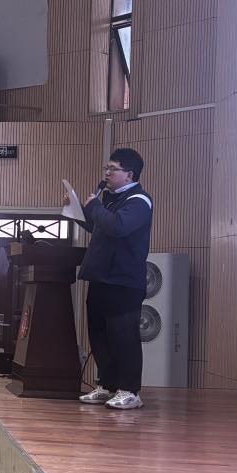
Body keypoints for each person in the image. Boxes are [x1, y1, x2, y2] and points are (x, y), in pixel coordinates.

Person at [73, 147, 154, 411]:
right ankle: (107, 385)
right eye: (106, 168)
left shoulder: (139, 201)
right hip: (101, 277)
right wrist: (79, 210)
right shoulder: (110, 200)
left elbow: (118, 227)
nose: (107, 173)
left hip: (123, 281)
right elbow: (99, 226)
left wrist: (95, 206)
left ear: (129, 174)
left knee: (123, 336)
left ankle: (130, 391)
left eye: (112, 169)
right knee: (99, 335)